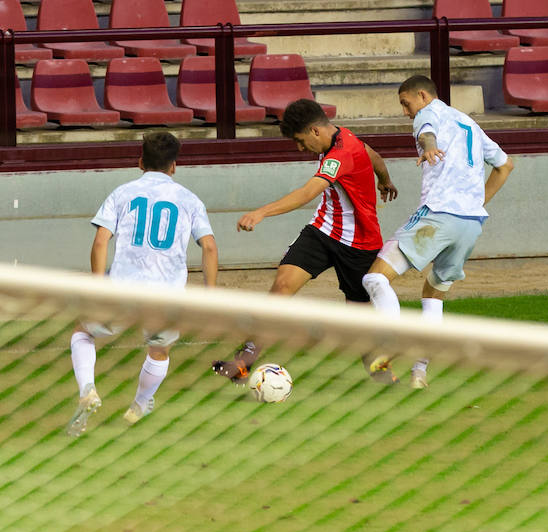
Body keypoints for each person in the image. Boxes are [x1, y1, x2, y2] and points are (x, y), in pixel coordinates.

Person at [210, 98, 398, 383]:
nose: (300, 148)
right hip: (322, 231)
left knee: (358, 318)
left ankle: (380, 371)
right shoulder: (345, 138)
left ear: (314, 131)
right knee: (282, 286)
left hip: (359, 243)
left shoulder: (340, 155)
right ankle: (243, 363)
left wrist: (262, 212)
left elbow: (307, 192)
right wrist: (384, 179)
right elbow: (372, 155)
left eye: (300, 141)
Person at [360, 74, 514, 389]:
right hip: (470, 224)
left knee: (374, 278)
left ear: (422, 95)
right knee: (433, 294)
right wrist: (475, 202)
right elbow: (505, 166)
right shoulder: (470, 124)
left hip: (438, 216)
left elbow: (426, 132)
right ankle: (420, 371)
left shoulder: (429, 113)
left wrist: (428, 147)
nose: (406, 112)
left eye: (406, 104)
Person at [67, 131, 218, 437]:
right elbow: (210, 247)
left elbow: (100, 242)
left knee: (83, 333)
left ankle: (88, 389)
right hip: (166, 294)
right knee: (159, 350)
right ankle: (140, 404)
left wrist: (99, 286)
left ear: (140, 162)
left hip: (123, 287)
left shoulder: (122, 193)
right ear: (174, 166)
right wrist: (210, 294)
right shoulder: (189, 200)